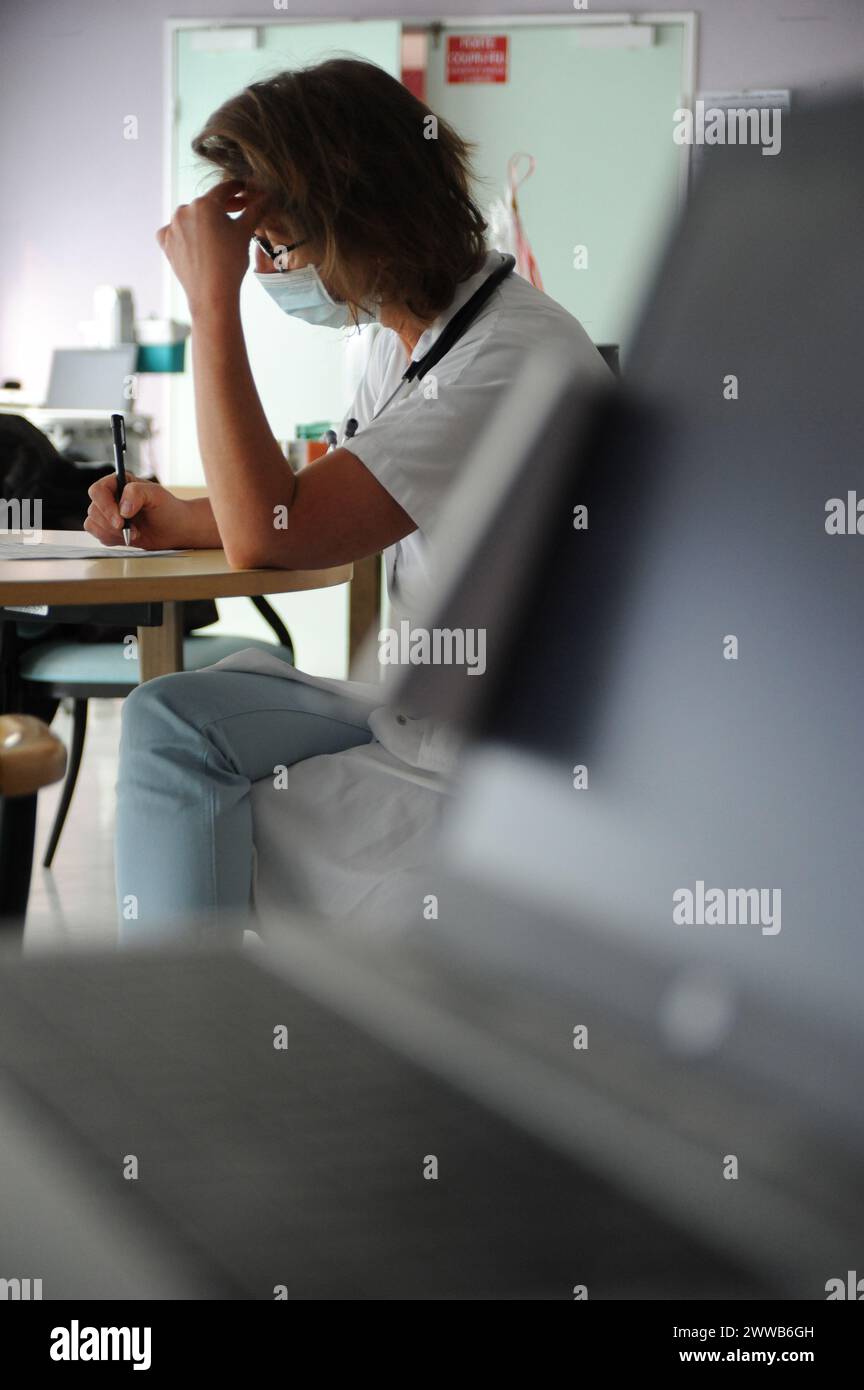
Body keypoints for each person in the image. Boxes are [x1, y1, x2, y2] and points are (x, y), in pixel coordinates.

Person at [84, 58, 608, 941]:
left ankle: (181, 1014)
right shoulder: (407, 336)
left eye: (279, 249)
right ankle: (182, 1004)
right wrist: (174, 516)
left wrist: (213, 306)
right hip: (426, 703)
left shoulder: (506, 359)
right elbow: (312, 509)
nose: (271, 271)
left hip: (507, 749)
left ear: (360, 221)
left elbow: (272, 541)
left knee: (193, 762)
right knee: (172, 714)